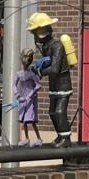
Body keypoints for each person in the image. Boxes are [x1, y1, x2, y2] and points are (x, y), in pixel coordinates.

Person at [26, 11, 77, 144]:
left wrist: (40, 72)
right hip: (54, 85)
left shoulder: (57, 46)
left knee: (60, 112)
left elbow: (55, 69)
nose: (35, 37)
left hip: (63, 85)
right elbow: (48, 62)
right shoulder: (47, 47)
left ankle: (66, 138)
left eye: (35, 33)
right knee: (52, 112)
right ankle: (60, 135)